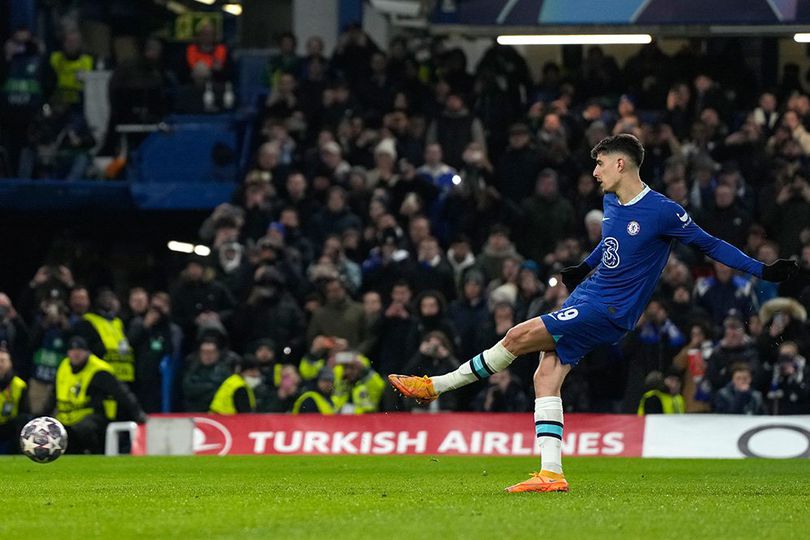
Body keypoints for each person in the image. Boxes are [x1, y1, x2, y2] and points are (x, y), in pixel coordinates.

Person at [389, 134, 797, 493]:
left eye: (600, 164)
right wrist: (584, 266)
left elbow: (711, 245)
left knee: (516, 336)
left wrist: (763, 270)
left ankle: (434, 387)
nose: (595, 172)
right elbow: (610, 245)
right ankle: (551, 473)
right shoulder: (610, 201)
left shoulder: (663, 212)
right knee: (545, 376)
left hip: (610, 309)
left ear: (621, 164)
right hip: (587, 296)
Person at [53, 336, 145, 454]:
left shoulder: (99, 370)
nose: (76, 354)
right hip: (66, 418)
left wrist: (138, 413)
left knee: (84, 428)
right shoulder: (64, 366)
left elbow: (122, 393)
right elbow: (54, 394)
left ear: (87, 352)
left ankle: (94, 453)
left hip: (95, 418)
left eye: (79, 351)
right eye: (72, 350)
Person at [0, 346, 29, 454]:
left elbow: (25, 411)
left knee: (23, 420)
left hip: (9, 426)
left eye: (3, 361)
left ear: (10, 363)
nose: (0, 365)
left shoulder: (19, 385)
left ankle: (21, 454)